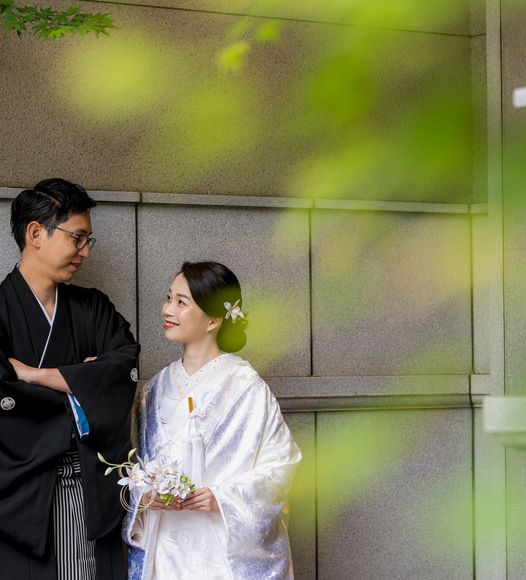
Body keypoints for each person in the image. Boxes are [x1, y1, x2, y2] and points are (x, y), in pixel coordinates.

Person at [124, 261, 301, 580]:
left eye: (181, 302)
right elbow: (137, 462)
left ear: (214, 320)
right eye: (168, 298)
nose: (167, 309)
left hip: (220, 549)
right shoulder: (154, 388)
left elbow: (281, 466)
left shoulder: (245, 386)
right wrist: (145, 494)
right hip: (165, 545)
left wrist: (222, 498)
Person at [0, 178, 140, 579]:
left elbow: (123, 369)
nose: (85, 251)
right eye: (77, 238)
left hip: (92, 489)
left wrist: (35, 376)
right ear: (35, 234)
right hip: (22, 498)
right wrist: (82, 380)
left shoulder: (93, 308)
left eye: (87, 240)